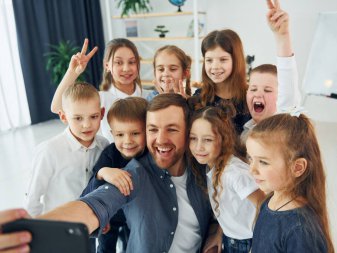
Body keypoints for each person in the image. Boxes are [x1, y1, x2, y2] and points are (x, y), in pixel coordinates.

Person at [39, 94, 219, 253]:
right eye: (153, 129)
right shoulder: (135, 173)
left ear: (188, 132)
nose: (161, 139)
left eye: (171, 129)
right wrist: (35, 234)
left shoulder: (203, 168)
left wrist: (216, 233)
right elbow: (93, 206)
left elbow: (218, 213)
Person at [246, 112, 335, 253]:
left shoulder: (300, 230)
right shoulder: (268, 201)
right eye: (250, 159)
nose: (252, 170)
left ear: (297, 167)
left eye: (263, 162)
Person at [24, 82, 109, 217]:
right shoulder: (49, 151)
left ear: (102, 113)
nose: (87, 125)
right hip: (58, 225)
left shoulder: (104, 146)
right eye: (78, 118)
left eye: (93, 116)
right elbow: (33, 197)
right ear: (63, 117)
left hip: (91, 222)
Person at [189, 106, 265, 253]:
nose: (199, 147)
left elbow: (264, 204)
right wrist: (221, 233)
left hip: (249, 242)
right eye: (193, 138)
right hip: (230, 239)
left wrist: (258, 244)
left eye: (208, 140)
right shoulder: (210, 165)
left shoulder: (233, 172)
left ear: (223, 140)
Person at [81, 97, 148, 253]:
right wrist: (102, 173)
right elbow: (92, 189)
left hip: (137, 216)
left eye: (135, 133)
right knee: (105, 246)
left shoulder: (149, 154)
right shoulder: (110, 153)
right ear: (112, 134)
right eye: (120, 135)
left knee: (131, 244)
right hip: (111, 216)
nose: (127, 141)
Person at [51, 38, 150, 142]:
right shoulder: (100, 98)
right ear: (107, 66)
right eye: (118, 62)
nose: (126, 68)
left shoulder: (150, 96)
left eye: (132, 62)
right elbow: (57, 107)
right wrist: (72, 72)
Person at [242, 0, 301, 140]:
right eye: (253, 89)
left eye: (267, 90)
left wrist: (283, 36)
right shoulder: (245, 129)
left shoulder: (282, 127)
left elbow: (288, 83)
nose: (258, 95)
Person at [191, 28, 250, 135]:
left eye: (223, 60)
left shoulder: (250, 97)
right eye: (209, 60)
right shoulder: (199, 98)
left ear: (236, 60)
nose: (215, 67)